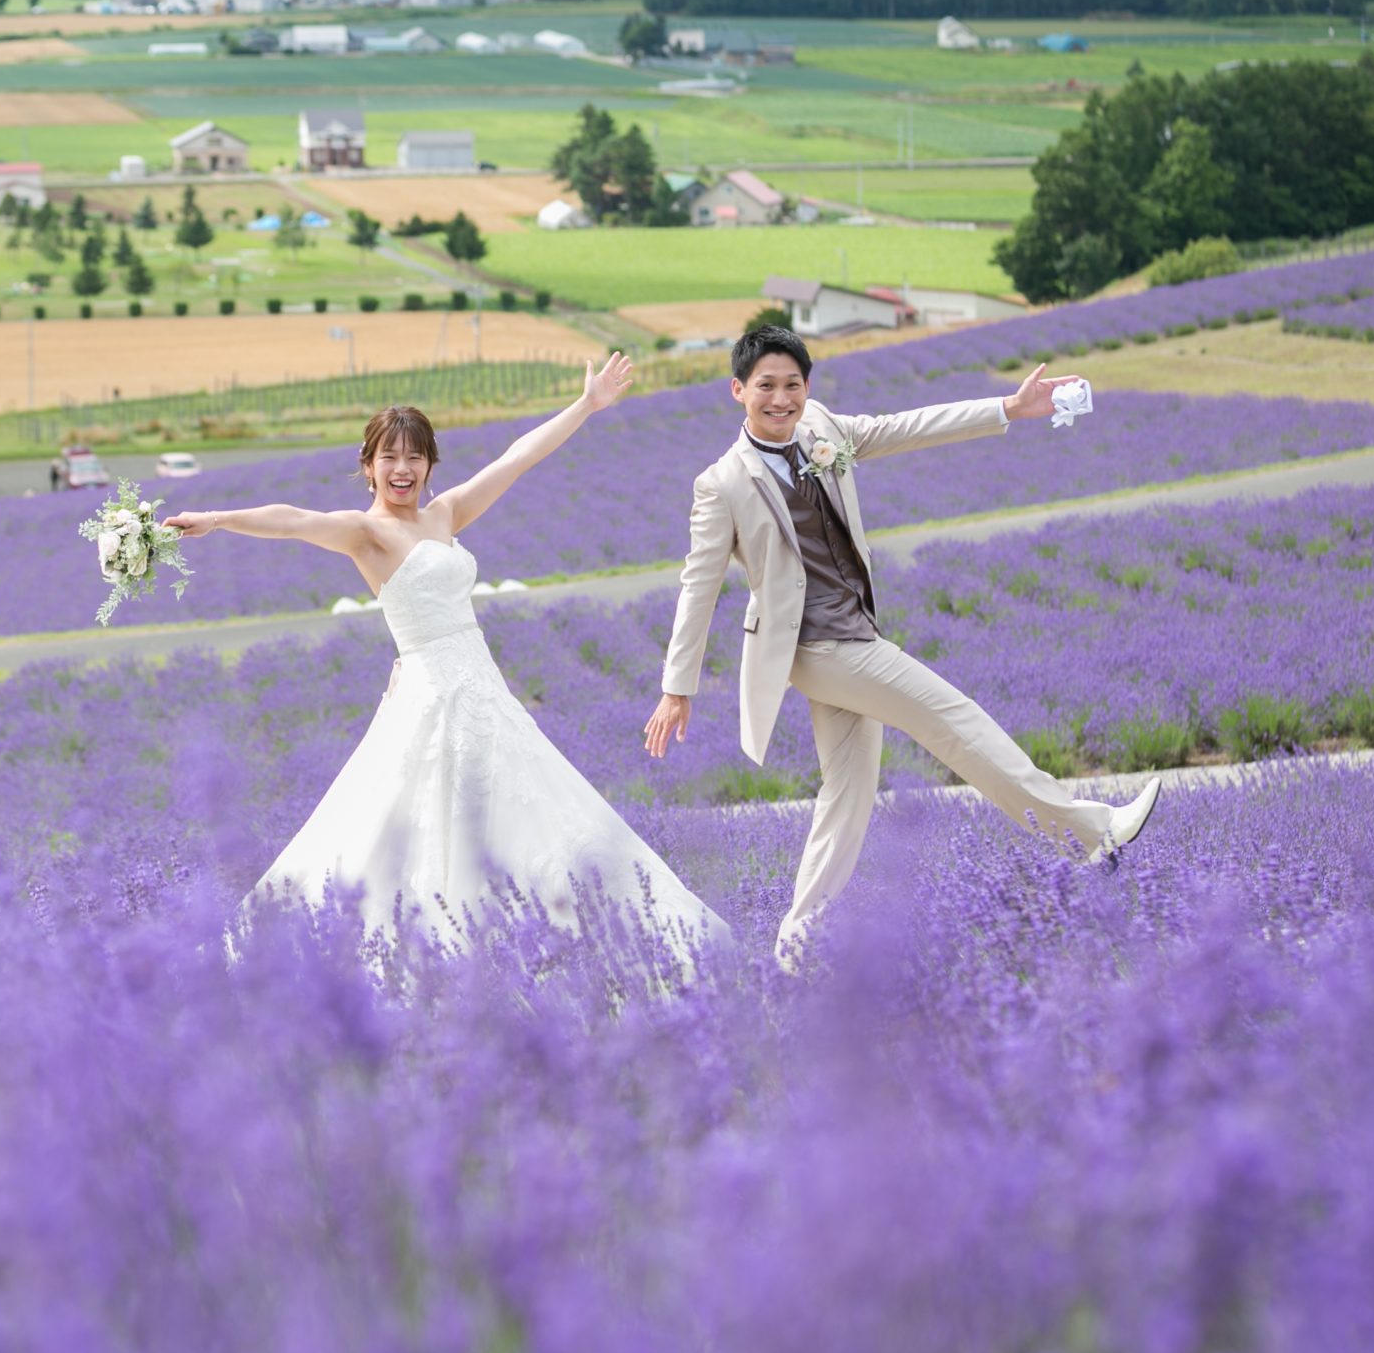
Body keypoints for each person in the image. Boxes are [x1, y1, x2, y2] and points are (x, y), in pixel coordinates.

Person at [165, 358, 721, 981]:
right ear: (368, 464)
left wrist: (586, 405)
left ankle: (546, 945)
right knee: (421, 826)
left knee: (526, 812)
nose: (402, 470)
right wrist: (215, 519)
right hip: (433, 695)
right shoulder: (363, 532)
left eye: (415, 457)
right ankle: (437, 959)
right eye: (389, 457)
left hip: (483, 689)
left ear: (430, 465)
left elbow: (516, 457)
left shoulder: (446, 514)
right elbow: (292, 519)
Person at [643, 324, 1160, 973]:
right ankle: (1090, 834)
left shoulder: (823, 427)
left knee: (848, 789)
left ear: (808, 388)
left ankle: (798, 942)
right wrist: (676, 686)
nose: (780, 399)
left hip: (856, 627)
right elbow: (699, 582)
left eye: (793, 385)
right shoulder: (721, 484)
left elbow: (906, 426)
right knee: (953, 716)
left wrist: (1006, 408)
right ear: (738, 390)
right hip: (813, 648)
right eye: (765, 386)